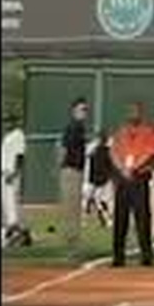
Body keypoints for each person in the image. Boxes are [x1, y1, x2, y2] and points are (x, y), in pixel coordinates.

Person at [110, 103, 154, 269]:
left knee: (142, 218)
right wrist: (122, 168)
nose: (133, 114)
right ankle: (118, 256)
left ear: (141, 114)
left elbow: (151, 153)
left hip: (139, 178)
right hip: (123, 180)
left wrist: (133, 168)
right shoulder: (121, 132)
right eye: (131, 111)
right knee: (120, 219)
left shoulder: (148, 132)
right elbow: (113, 152)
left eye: (136, 111)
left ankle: (146, 256)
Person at [58, 98, 92, 258]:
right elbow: (63, 148)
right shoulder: (72, 127)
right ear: (74, 111)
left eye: (86, 110)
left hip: (76, 171)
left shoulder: (80, 128)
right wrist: (60, 166)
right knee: (71, 210)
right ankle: (72, 247)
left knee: (75, 209)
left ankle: (74, 245)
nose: (84, 112)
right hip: (70, 170)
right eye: (81, 109)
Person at [1, 114, 27, 249]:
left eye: (9, 121)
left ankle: (17, 236)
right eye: (5, 121)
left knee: (12, 205)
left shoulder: (18, 135)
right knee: (7, 205)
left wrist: (15, 172)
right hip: (4, 173)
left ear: (15, 122)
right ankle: (18, 234)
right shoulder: (7, 136)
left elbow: (20, 155)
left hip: (11, 174)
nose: (6, 123)